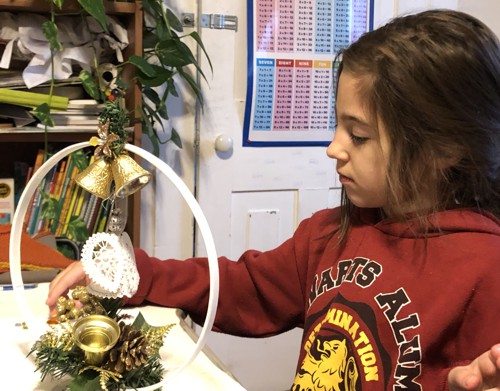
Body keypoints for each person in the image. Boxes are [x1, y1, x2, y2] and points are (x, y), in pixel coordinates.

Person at [47, 9, 500, 390]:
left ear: (445, 149)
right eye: (339, 126)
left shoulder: (486, 269)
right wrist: (132, 273)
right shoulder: (329, 234)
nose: (334, 147)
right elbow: (244, 288)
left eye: (358, 135)